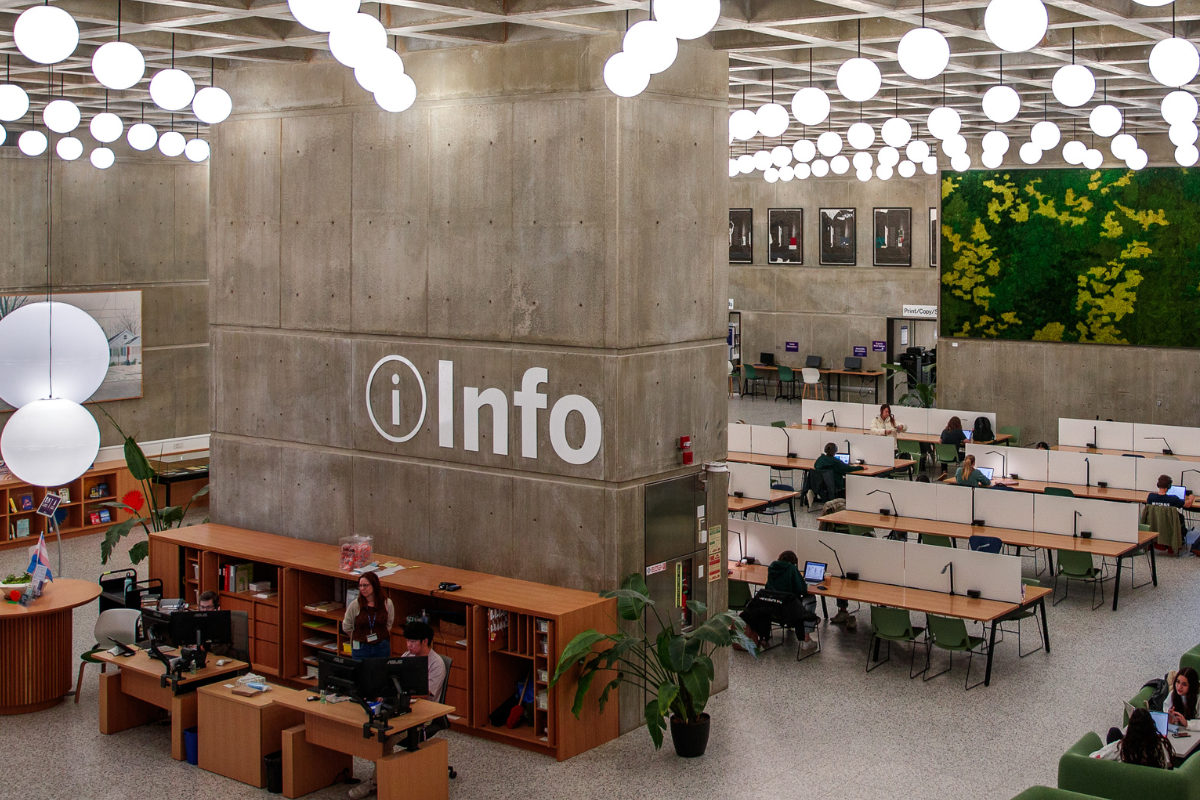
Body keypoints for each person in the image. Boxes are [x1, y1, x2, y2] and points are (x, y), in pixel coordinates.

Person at [348, 619, 449, 799]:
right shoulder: (407, 657)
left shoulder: (436, 664)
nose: (408, 645)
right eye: (407, 641)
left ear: (425, 641)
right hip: (400, 707)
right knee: (373, 728)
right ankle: (384, 772)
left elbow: (425, 694)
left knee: (385, 738)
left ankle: (375, 782)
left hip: (421, 716)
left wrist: (401, 695)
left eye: (413, 642)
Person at [739, 551, 820, 650]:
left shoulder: (772, 568)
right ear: (793, 562)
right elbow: (802, 589)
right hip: (788, 612)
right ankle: (806, 638)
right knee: (810, 598)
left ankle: (765, 636)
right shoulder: (792, 569)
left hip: (771, 611)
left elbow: (768, 587)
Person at [1091, 708, 1173, 768]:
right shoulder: (1160, 748)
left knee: (1114, 732)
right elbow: (1167, 764)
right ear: (1152, 727)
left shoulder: (1121, 748)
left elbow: (1093, 757)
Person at [341, 571, 395, 659]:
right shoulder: (355, 605)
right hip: (361, 646)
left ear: (374, 585)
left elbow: (389, 623)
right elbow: (346, 626)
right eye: (360, 586)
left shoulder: (387, 603)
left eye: (365, 585)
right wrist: (358, 636)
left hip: (381, 646)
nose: (362, 588)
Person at [197, 590, 233, 658]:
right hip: (205, 656)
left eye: (208, 607)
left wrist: (214, 624)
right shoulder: (198, 621)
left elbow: (219, 650)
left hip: (222, 658)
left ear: (216, 608)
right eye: (202, 607)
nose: (204, 611)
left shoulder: (224, 622)